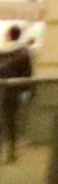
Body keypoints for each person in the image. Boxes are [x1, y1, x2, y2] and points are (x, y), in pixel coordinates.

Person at [0, 22, 31, 155]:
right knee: (11, 121)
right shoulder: (23, 53)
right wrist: (26, 91)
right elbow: (27, 74)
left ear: (8, 35)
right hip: (14, 92)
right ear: (19, 36)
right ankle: (11, 151)